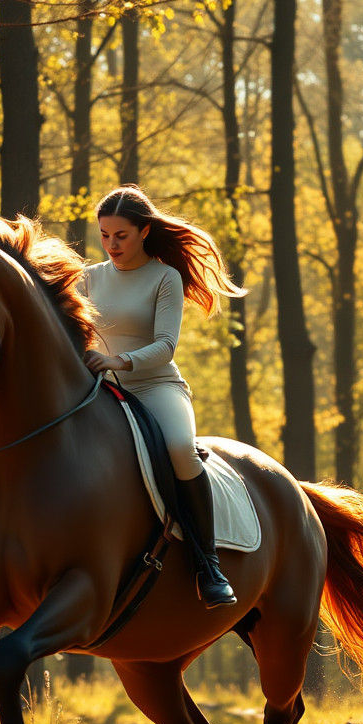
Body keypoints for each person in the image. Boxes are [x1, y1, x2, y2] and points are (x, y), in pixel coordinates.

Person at [81, 185, 244, 609]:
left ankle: (209, 565)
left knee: (179, 449)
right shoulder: (89, 278)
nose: (112, 245)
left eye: (122, 235)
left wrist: (118, 362)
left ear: (144, 231)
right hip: (101, 387)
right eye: (105, 235)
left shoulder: (165, 277)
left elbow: (166, 346)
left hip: (155, 385)